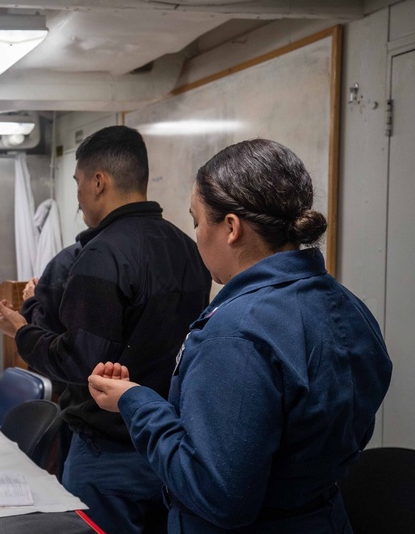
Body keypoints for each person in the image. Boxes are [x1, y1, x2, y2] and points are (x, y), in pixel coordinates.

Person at [88, 139, 393, 533]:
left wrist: (136, 402)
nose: (196, 235)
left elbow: (218, 494)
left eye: (197, 222)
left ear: (231, 228)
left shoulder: (235, 333)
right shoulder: (349, 306)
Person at [0, 125, 212, 534]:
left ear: (98, 181)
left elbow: (79, 362)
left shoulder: (101, 253)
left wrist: (22, 329)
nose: (78, 198)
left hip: (107, 451)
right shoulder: (187, 247)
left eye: (77, 184)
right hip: (170, 445)